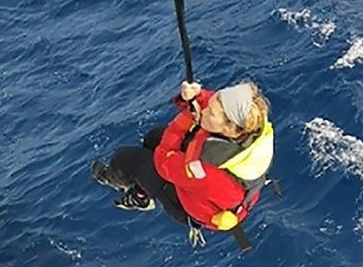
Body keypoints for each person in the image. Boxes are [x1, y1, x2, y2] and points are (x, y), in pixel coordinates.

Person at [91, 79, 274, 234]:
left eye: (209, 112)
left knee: (128, 159)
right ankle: (142, 190)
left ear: (228, 129)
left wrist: (185, 119)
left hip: (186, 205)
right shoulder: (253, 122)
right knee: (153, 137)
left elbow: (163, 159)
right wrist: (198, 96)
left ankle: (124, 188)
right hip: (211, 188)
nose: (204, 110)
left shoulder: (201, 169)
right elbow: (217, 105)